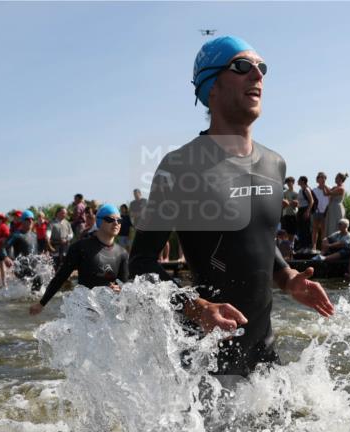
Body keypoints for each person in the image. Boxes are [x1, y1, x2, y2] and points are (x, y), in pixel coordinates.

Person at [129, 35, 334, 377]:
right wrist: (197, 307)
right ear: (211, 87)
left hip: (264, 362)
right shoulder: (181, 165)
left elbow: (259, 241)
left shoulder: (274, 163)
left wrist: (288, 278)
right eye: (242, 67)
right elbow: (140, 262)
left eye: (262, 68)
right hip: (206, 369)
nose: (258, 75)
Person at [30, 203, 129, 315]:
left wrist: (120, 290)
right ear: (100, 221)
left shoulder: (122, 253)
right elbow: (61, 276)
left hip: (108, 313)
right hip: (84, 312)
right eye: (110, 219)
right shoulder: (81, 247)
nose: (116, 223)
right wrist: (42, 303)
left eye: (119, 220)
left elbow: (123, 286)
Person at [311, 172, 329, 253]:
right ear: (317, 179)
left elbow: (330, 201)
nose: (322, 179)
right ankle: (314, 247)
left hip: (325, 212)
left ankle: (323, 247)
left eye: (324, 177)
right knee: (315, 229)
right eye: (320, 177)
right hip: (316, 211)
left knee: (324, 230)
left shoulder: (329, 189)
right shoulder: (314, 190)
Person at [325, 173, 347, 239]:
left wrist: (324, 185)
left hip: (337, 208)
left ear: (340, 179)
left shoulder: (341, 188)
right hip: (331, 207)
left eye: (337, 177)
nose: (335, 179)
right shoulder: (335, 187)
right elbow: (326, 194)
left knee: (337, 225)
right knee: (330, 225)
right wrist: (323, 187)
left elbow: (329, 193)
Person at [295, 175, 314, 252]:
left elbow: (312, 201)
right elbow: (299, 202)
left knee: (306, 228)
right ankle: (302, 246)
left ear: (303, 181)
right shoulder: (300, 190)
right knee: (301, 229)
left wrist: (307, 211)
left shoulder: (306, 189)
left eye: (299, 180)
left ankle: (307, 246)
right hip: (300, 210)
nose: (297, 182)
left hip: (305, 210)